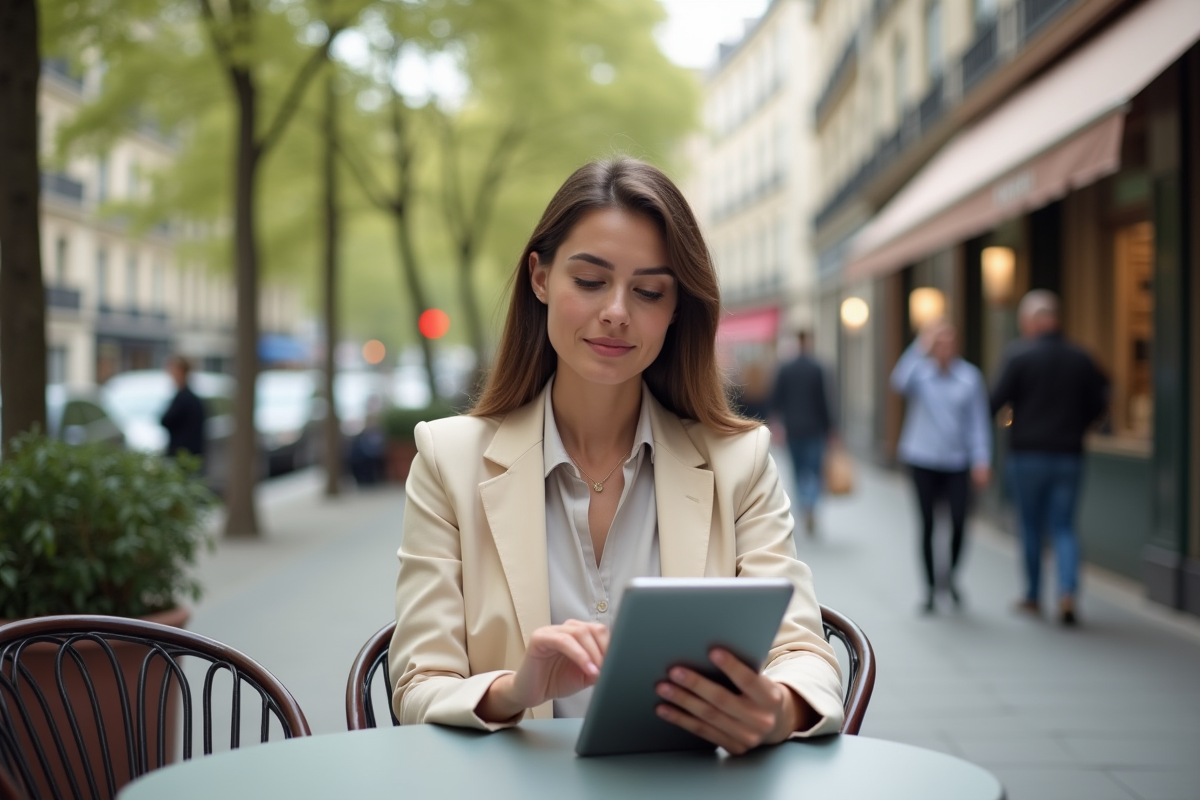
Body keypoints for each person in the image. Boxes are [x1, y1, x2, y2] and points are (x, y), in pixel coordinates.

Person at [387, 158, 844, 753]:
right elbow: (420, 681)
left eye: (649, 291)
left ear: (677, 307)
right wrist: (513, 687)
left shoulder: (740, 462)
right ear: (541, 277)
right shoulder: (448, 460)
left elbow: (805, 653)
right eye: (590, 280)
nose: (618, 312)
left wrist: (778, 708)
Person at [990, 290, 1108, 626]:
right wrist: (1077, 426)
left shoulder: (1019, 356)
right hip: (1069, 455)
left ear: (1030, 322)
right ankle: (1067, 592)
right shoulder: (1081, 357)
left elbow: (994, 401)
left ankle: (1032, 595)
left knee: (1030, 527)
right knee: (1064, 526)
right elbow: (1100, 403)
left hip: (1027, 455)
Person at [890, 320, 991, 613]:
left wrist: (981, 459)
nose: (944, 348)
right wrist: (920, 345)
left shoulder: (970, 378)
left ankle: (951, 576)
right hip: (922, 459)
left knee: (960, 522)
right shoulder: (919, 374)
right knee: (928, 525)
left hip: (958, 461)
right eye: (938, 343)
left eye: (949, 342)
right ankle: (931, 588)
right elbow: (897, 382)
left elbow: (978, 423)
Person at [769, 331, 835, 535]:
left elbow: (775, 400)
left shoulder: (785, 368)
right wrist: (831, 429)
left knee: (798, 472)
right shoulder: (818, 368)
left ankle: (803, 505)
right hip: (815, 429)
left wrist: (776, 425)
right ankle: (811, 505)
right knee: (814, 471)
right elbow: (825, 401)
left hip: (793, 429)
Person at [160, 355, 206, 471]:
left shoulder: (184, 398)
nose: (171, 375)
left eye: (173, 370)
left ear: (180, 372)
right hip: (188, 457)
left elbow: (166, 420)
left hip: (183, 458)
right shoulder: (189, 398)